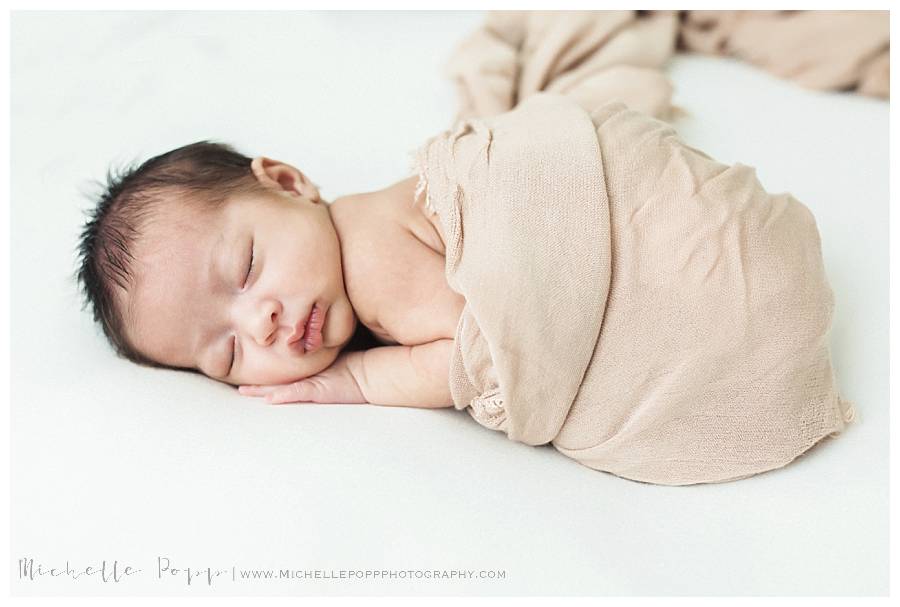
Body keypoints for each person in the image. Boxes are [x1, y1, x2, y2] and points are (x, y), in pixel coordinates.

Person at [74, 141, 465, 407]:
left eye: (246, 268)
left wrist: (361, 378)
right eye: (229, 354)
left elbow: (480, 354)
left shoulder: (370, 251)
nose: (261, 325)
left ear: (287, 184)